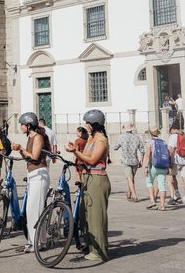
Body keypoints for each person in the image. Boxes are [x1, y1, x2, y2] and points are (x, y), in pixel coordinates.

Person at [66, 109, 111, 262]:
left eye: (88, 123)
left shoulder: (101, 140)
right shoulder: (91, 138)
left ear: (95, 124)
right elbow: (85, 156)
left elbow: (92, 160)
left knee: (96, 217)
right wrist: (75, 150)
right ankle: (90, 246)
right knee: (85, 216)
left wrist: (75, 152)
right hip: (88, 178)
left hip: (98, 180)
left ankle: (99, 252)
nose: (86, 126)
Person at [11, 112, 50, 253]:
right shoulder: (30, 137)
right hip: (33, 175)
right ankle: (41, 242)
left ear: (28, 125)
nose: (20, 127)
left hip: (39, 175)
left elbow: (34, 156)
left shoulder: (38, 137)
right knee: (35, 210)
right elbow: (28, 158)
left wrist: (21, 148)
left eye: (22, 125)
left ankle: (35, 243)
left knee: (34, 210)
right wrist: (20, 150)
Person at [112, 122, 144, 202]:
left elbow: (115, 147)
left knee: (129, 178)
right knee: (131, 178)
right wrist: (141, 160)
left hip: (126, 160)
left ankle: (134, 195)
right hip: (135, 160)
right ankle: (129, 193)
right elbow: (142, 150)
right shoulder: (136, 137)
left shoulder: (121, 137)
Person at [143, 126, 169, 211]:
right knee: (162, 185)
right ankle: (162, 205)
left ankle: (152, 201)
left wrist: (146, 167)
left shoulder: (150, 142)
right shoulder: (163, 142)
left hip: (153, 165)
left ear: (150, 133)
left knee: (149, 182)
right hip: (163, 166)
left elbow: (148, 155)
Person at [167, 122, 185, 204]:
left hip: (176, 160)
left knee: (173, 176)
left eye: (170, 130)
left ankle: (177, 194)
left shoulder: (173, 136)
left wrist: (168, 159)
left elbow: (171, 150)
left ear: (173, 129)